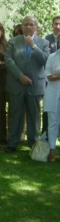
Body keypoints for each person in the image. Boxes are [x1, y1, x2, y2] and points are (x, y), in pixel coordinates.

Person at [5, 16, 49, 153]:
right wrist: (20, 76)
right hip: (16, 84)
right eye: (26, 24)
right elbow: (8, 60)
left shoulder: (43, 42)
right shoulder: (13, 41)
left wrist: (33, 46)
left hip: (35, 85)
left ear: (36, 27)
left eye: (31, 24)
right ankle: (12, 143)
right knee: (15, 115)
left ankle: (33, 144)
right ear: (22, 26)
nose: (28, 27)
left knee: (34, 116)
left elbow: (46, 61)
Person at [43, 31, 60, 162]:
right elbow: (49, 76)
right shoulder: (53, 56)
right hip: (53, 94)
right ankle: (52, 151)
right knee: (53, 122)